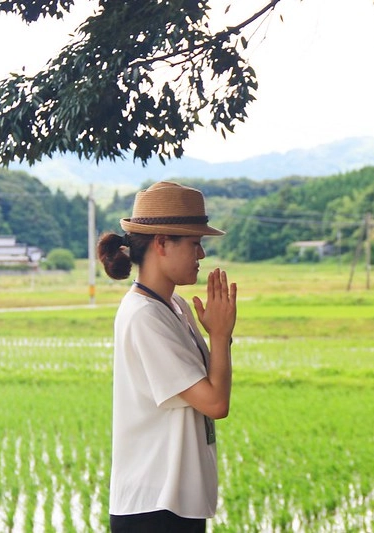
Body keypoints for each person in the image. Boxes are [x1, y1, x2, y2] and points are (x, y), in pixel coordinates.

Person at [97, 181, 237, 533]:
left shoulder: (173, 307)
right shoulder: (145, 315)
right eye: (194, 242)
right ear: (161, 243)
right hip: (154, 508)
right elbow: (216, 403)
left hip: (174, 503)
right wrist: (219, 336)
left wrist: (222, 337)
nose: (201, 254)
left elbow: (210, 384)